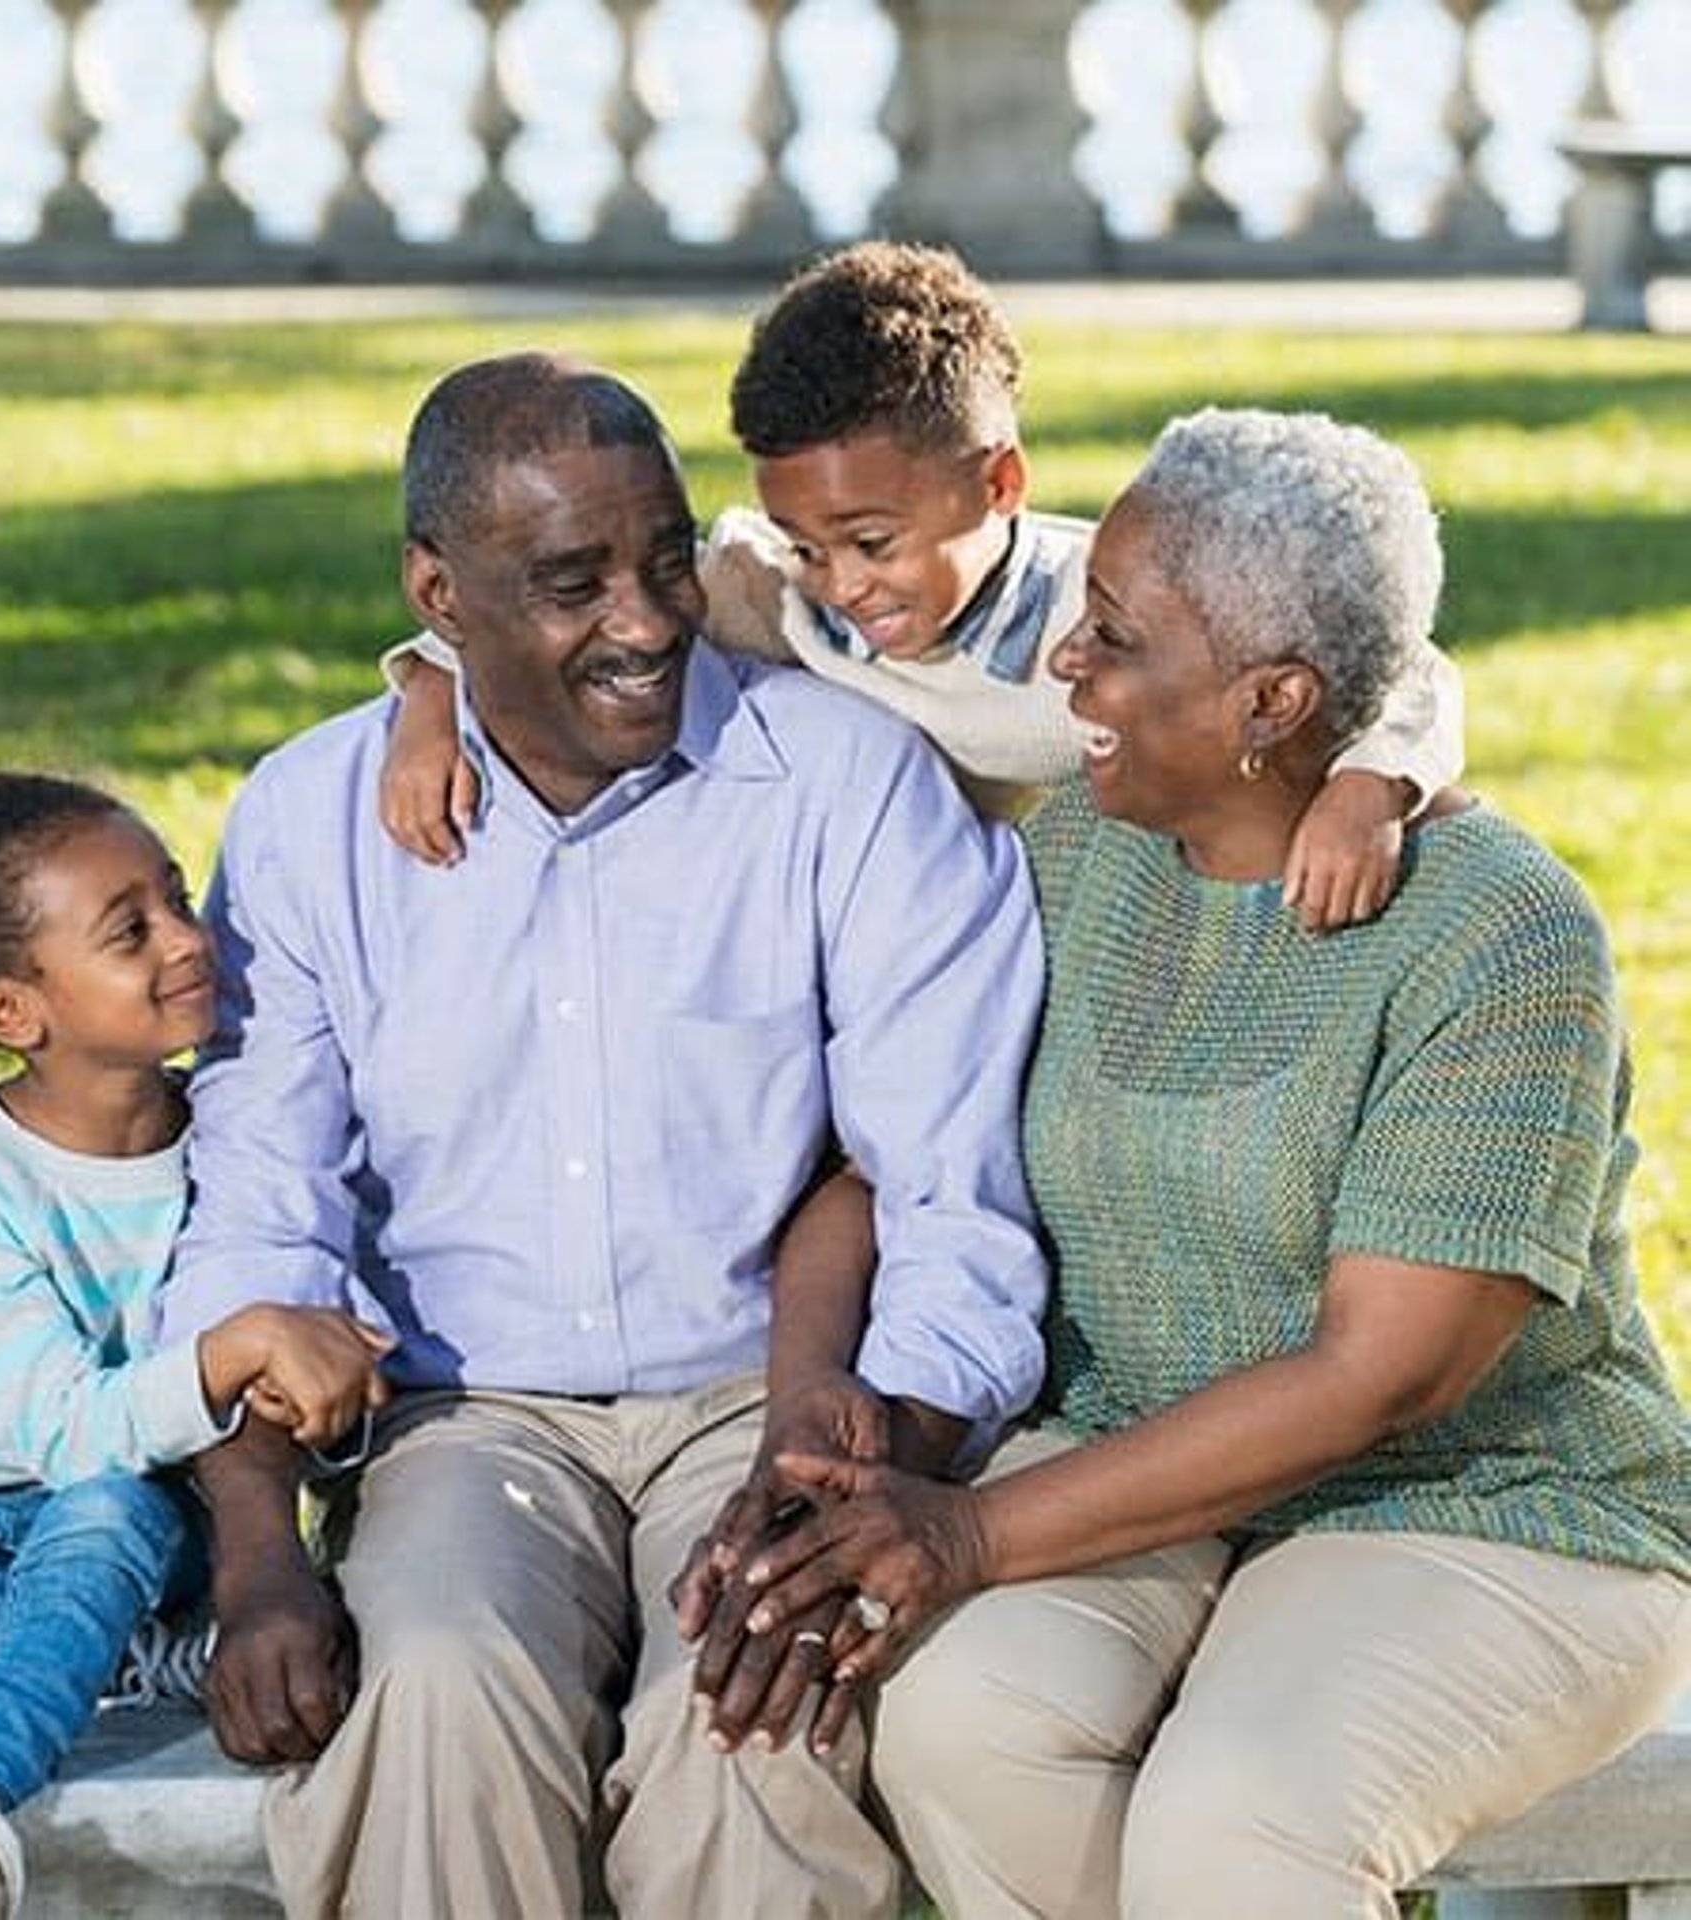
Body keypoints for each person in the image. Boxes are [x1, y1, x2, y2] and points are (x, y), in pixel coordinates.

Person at [704, 408, 1691, 1919]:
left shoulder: (1500, 938)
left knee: (1235, 1823)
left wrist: (966, 1529)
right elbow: (879, 1163)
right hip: (1134, 1457)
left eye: (1111, 637)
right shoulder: (1078, 861)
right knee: (964, 1728)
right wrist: (840, 1415)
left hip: (1485, 1503)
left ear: (1271, 700)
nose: (1064, 669)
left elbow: (1384, 1379)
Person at [153, 350, 1048, 1919]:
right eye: (572, 583)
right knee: (428, 1690)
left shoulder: (845, 784)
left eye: (663, 561)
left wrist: (872, 1458)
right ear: (436, 591)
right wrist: (257, 1558)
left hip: (766, 1398)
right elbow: (255, 1218)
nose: (641, 622)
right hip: (464, 1415)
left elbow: (950, 1197)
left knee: (765, 1714)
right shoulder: (308, 826)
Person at [378, 242, 1463, 934]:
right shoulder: (772, 590)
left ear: (999, 484)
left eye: (873, 541)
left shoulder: (1117, 608)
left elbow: (1400, 670)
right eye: (811, 544)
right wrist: (432, 699)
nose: (844, 585)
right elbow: (568, 623)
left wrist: (1375, 789)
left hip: (1094, 919)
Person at [0, 737, 392, 1920]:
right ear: (12, 1008)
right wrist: (225, 1350)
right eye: (131, 931)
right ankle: (116, 1655)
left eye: (176, 893)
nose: (187, 937)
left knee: (105, 1511)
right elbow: (59, 1429)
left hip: (153, 1523)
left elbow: (265, 1394)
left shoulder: (243, 1137)